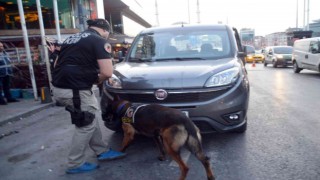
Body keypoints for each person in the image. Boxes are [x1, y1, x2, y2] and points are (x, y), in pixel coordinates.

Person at [51, 19, 126, 174]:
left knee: (89, 118)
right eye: (108, 33)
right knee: (86, 125)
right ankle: (75, 163)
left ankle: (102, 150)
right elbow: (107, 72)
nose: (107, 36)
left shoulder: (71, 38)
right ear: (105, 30)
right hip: (76, 90)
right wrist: (94, 80)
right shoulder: (98, 40)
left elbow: (56, 63)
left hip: (62, 86)